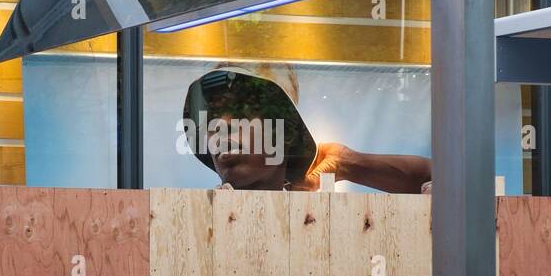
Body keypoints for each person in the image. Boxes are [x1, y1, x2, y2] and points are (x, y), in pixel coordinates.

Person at [182, 65, 431, 194]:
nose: (221, 127)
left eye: (242, 114)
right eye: (211, 120)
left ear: (285, 134)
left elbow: (448, 182)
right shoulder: (193, 224)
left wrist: (347, 163)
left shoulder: (322, 221)